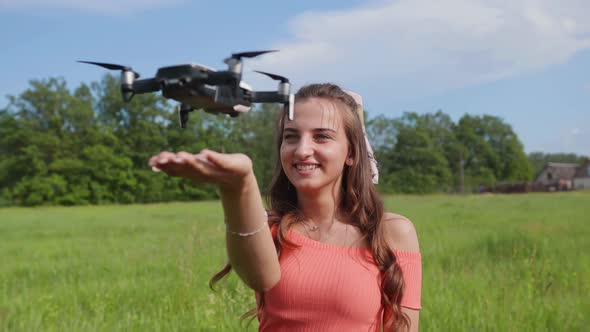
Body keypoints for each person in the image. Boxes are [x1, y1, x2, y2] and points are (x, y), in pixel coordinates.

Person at [148, 83, 422, 331]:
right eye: (291, 137)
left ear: (351, 152)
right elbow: (260, 278)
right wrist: (238, 185)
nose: (302, 150)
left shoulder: (392, 232)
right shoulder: (269, 228)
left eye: (322, 137)